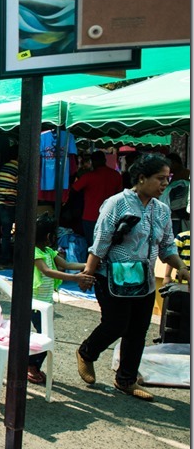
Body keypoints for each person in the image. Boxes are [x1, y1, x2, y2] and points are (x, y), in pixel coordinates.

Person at [76, 153, 189, 401]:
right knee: (116, 324)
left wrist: (181, 267)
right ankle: (86, 352)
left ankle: (125, 379)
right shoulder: (116, 203)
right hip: (111, 277)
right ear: (141, 178)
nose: (164, 184)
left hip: (144, 281)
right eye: (160, 178)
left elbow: (167, 247)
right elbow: (101, 241)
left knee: (138, 330)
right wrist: (88, 273)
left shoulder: (161, 210)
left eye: (167, 179)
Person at [29, 214, 95, 384]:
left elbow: (66, 265)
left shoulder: (48, 251)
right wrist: (75, 278)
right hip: (34, 304)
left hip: (45, 303)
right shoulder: (35, 252)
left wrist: (90, 266)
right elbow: (47, 271)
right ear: (49, 237)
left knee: (45, 335)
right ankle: (30, 366)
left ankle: (32, 365)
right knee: (45, 336)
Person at [71, 150, 123, 249]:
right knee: (108, 246)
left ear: (93, 161)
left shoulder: (88, 176)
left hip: (90, 216)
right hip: (110, 216)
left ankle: (92, 264)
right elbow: (119, 194)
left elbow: (74, 189)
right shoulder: (116, 175)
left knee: (92, 246)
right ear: (104, 160)